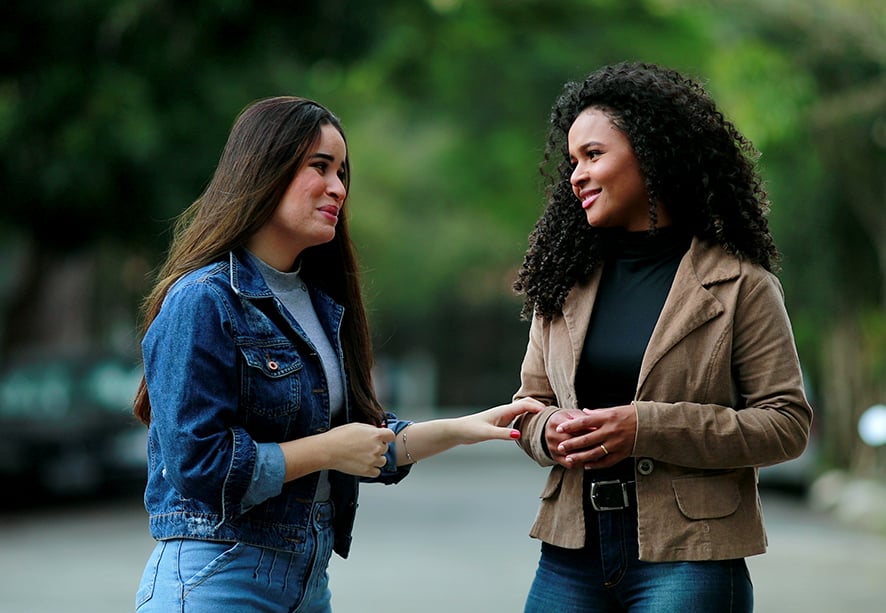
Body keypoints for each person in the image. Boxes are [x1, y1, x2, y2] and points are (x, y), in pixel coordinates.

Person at [131, 95, 541, 613]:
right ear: (266, 168)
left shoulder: (320, 304)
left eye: (343, 172)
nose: (339, 188)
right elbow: (201, 465)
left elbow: (362, 441)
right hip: (218, 578)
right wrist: (328, 449)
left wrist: (467, 428)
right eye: (319, 167)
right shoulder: (204, 298)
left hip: (308, 583)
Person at [510, 62, 813, 612]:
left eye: (594, 155)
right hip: (569, 551)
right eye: (572, 161)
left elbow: (786, 426)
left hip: (690, 557)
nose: (575, 175)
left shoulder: (741, 284)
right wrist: (547, 430)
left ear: (651, 155)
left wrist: (646, 426)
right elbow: (529, 405)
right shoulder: (561, 279)